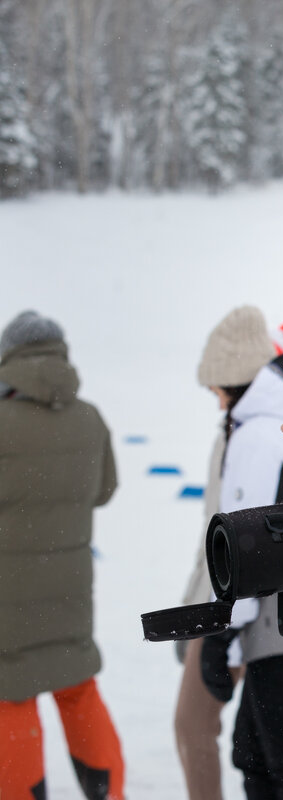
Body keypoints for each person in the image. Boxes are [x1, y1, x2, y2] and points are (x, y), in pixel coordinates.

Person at [190, 305, 283, 800]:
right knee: (256, 753)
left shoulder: (256, 434)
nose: (217, 405)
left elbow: (244, 544)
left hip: (278, 623)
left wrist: (221, 632)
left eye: (215, 390)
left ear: (232, 381)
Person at [0, 310, 125, 800]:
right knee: (77, 688)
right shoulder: (90, 417)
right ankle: (111, 793)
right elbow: (105, 489)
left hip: (9, 596)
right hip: (70, 584)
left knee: (13, 696)